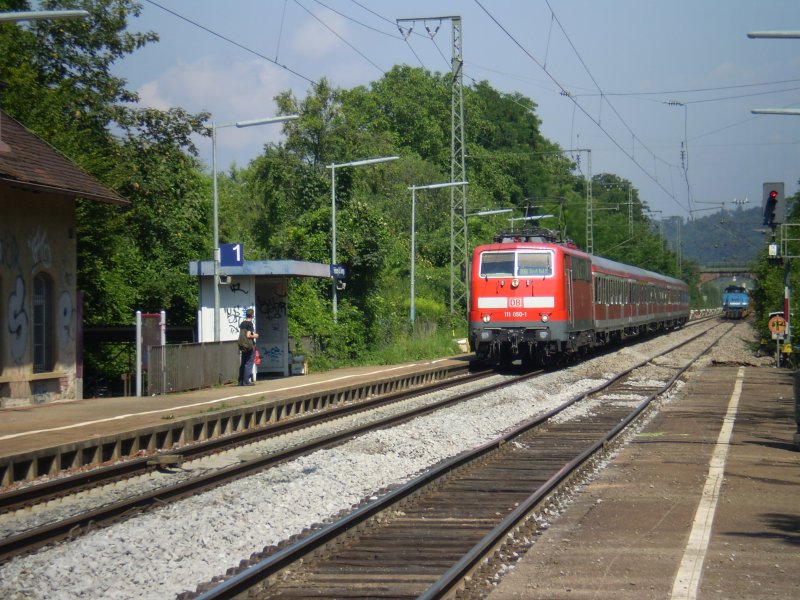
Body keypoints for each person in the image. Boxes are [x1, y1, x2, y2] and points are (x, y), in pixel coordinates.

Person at [237, 308, 259, 386]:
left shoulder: (242, 323)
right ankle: (246, 381)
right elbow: (248, 335)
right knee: (249, 363)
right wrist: (255, 336)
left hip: (243, 345)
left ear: (246, 314)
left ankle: (241, 381)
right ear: (252, 315)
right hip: (249, 345)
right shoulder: (250, 324)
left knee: (243, 362)